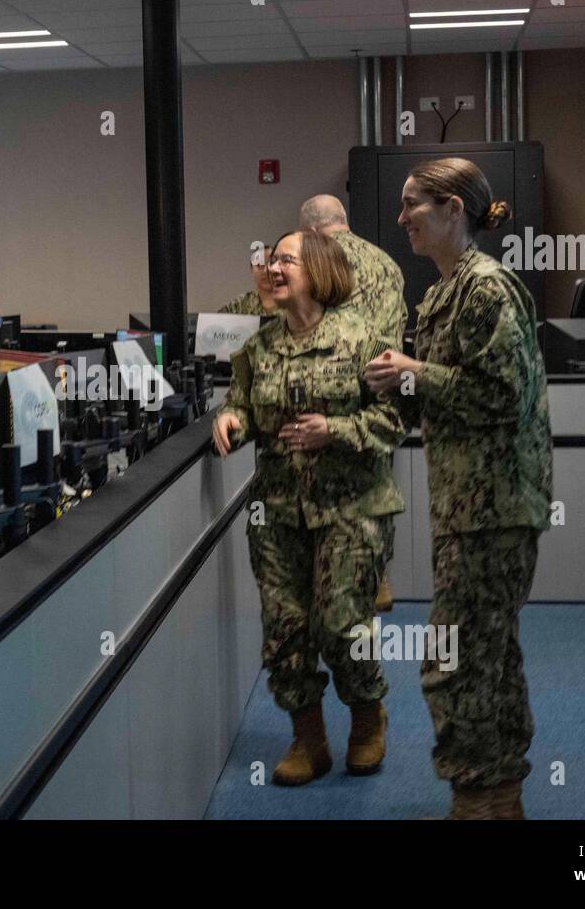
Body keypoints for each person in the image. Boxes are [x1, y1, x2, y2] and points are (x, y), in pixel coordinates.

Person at [364, 157, 552, 819]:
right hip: (464, 509)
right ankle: (497, 795)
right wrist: (395, 382)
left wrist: (416, 371)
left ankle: (479, 792)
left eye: (413, 204)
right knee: (488, 656)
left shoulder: (488, 290)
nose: (401, 218)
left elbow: (503, 395)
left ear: (453, 209)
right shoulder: (440, 294)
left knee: (457, 658)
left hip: (494, 509)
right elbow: (434, 402)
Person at [213, 229, 405, 785]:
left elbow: (397, 420)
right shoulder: (257, 348)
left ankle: (367, 719)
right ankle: (309, 739)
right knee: (285, 629)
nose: (272, 269)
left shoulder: (364, 340)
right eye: (270, 261)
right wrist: (232, 420)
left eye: (285, 261)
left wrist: (336, 431)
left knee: (341, 622)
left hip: (352, 507)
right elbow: (242, 404)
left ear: (318, 270)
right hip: (278, 512)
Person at [301, 194, 408, 612]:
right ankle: (376, 573)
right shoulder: (388, 263)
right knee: (375, 486)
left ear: (311, 230)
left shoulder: (316, 260)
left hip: (330, 385)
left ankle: (332, 582)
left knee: (327, 494)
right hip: (384, 383)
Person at [219, 240, 277, 315]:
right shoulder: (238, 306)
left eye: (271, 264)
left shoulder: (292, 302)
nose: (265, 270)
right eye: (259, 265)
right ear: (252, 270)